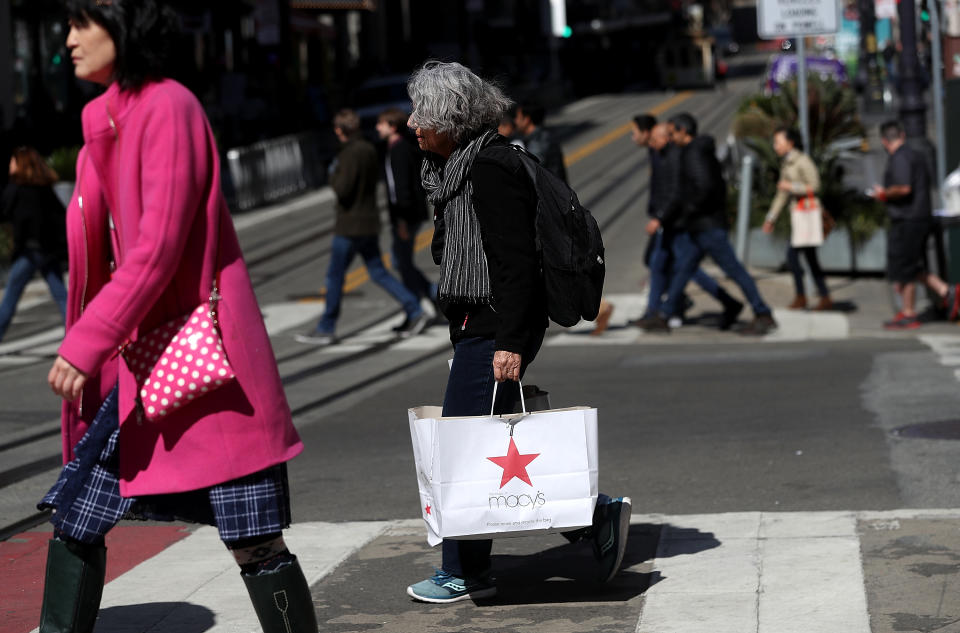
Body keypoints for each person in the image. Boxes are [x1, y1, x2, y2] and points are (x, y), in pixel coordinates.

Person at [40, 3, 317, 632]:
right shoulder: (105, 122)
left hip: (203, 360)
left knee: (254, 539)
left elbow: (158, 247)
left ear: (125, 26)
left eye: (85, 23)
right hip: (140, 364)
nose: (70, 38)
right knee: (77, 512)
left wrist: (86, 343)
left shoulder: (169, 107)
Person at [404, 61, 631, 604]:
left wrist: (507, 341)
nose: (412, 123)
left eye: (423, 115)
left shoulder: (488, 169)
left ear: (450, 119)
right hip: (477, 324)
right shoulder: (460, 166)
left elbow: (513, 263)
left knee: (461, 447)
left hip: (492, 326)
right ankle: (584, 518)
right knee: (481, 443)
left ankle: (469, 568)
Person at [296, 108, 430, 345]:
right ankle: (414, 309)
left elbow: (343, 189)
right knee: (378, 271)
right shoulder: (369, 149)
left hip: (350, 225)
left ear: (339, 131)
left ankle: (327, 326)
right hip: (369, 221)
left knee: (335, 276)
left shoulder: (349, 154)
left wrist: (333, 174)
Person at [644, 112, 777, 335]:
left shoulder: (693, 153)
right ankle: (664, 314)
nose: (670, 138)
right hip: (700, 225)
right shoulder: (695, 151)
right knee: (683, 269)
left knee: (733, 270)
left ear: (683, 131)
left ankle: (763, 312)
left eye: (672, 133)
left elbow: (704, 187)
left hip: (708, 226)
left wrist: (688, 210)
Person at [637, 120, 743, 331]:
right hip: (670, 221)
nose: (652, 143)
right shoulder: (660, 155)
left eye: (656, 139)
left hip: (678, 223)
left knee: (687, 269)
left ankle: (726, 303)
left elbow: (676, 192)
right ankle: (655, 311)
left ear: (668, 137)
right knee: (659, 265)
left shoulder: (676, 157)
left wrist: (661, 217)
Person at [873, 120, 958, 329]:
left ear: (884, 140)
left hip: (908, 218)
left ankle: (909, 313)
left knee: (905, 266)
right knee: (913, 264)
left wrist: (883, 193)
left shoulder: (900, 157)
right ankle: (946, 291)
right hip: (918, 217)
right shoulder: (915, 154)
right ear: (902, 135)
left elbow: (903, 188)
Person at [375, 107, 439, 330]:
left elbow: (400, 189)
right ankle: (435, 299)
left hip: (406, 216)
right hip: (408, 214)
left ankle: (421, 307)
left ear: (392, 127)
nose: (377, 127)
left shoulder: (399, 150)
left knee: (401, 262)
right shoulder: (395, 147)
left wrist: (401, 221)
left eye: (381, 123)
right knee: (401, 262)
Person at [0, 146, 68, 342]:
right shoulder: (44, 189)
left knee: (11, 298)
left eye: (13, 160)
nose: (10, 164)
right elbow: (60, 217)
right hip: (47, 251)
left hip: (29, 252)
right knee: (61, 296)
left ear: (20, 163)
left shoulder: (16, 190)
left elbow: (18, 221)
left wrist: (18, 248)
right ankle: (73, 335)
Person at [762, 126, 833, 311]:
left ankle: (804, 296)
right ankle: (821, 296)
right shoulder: (787, 163)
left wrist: (791, 186)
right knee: (810, 259)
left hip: (807, 215)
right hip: (799, 216)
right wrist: (771, 217)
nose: (775, 146)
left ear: (790, 143)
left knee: (793, 256)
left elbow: (815, 186)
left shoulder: (802, 161)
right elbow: (781, 195)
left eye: (778, 142)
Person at [514, 100, 568, 183]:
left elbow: (530, 172)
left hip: (552, 193)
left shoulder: (539, 141)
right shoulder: (542, 136)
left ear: (526, 120)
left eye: (518, 117)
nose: (515, 121)